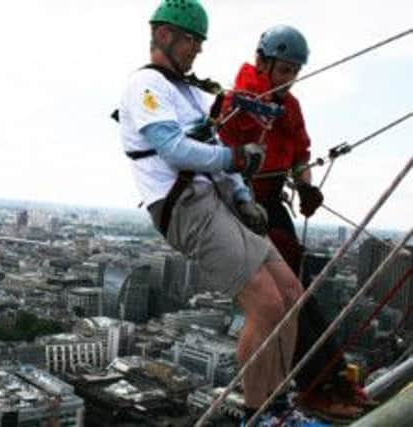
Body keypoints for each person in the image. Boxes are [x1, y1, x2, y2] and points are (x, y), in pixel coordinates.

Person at [117, 1, 304, 421]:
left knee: (292, 294)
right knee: (266, 303)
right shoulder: (147, 87)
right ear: (163, 35)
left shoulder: (189, 93)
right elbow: (173, 149)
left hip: (214, 198)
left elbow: (215, 151)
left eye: (200, 41)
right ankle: (261, 414)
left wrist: (242, 198)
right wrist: (236, 160)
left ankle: (281, 402)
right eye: (191, 40)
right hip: (182, 203)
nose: (197, 49)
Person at [218, 25, 375, 419]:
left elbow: (300, 153)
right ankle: (319, 382)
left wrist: (305, 186)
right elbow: (225, 149)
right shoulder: (238, 101)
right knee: (290, 298)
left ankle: (330, 378)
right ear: (263, 62)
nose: (289, 78)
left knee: (299, 292)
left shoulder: (289, 106)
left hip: (271, 203)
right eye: (284, 69)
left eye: (294, 71)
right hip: (246, 204)